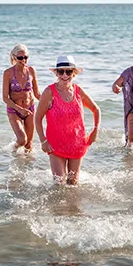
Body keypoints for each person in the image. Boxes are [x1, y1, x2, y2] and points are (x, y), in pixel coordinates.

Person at [35, 55, 101, 185]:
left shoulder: (78, 91)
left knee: (73, 184)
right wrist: (43, 140)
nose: (65, 75)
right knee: (59, 184)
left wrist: (95, 132)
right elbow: (37, 118)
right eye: (61, 71)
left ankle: (72, 206)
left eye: (68, 71)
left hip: (77, 143)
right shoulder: (49, 92)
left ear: (74, 73)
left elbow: (96, 110)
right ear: (56, 73)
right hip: (55, 144)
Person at [2, 44, 42, 150]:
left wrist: (50, 104)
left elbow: (37, 93)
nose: (23, 60)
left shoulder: (31, 71)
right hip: (14, 110)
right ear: (14, 57)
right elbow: (5, 97)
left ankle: (26, 165)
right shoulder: (8, 73)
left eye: (26, 57)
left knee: (29, 145)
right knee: (22, 140)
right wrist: (20, 109)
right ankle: (13, 150)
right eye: (20, 58)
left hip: (30, 109)